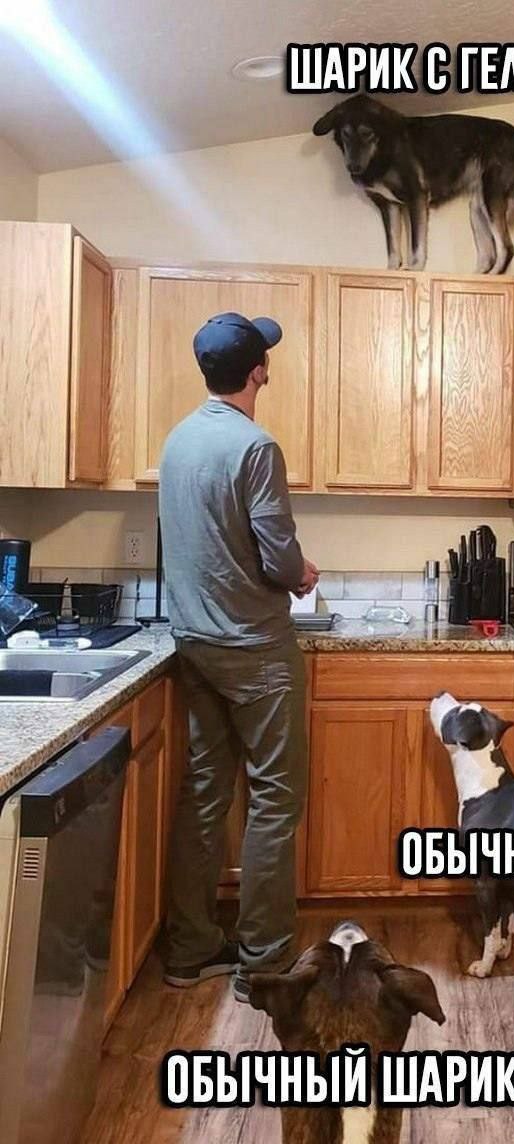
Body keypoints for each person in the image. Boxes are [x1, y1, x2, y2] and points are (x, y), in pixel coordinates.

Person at [158, 311, 318, 1003]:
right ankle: (265, 967)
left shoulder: (178, 440)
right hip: (255, 649)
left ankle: (190, 950)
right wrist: (302, 572)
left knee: (204, 793)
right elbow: (278, 556)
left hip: (195, 644)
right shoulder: (255, 447)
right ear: (259, 372)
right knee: (275, 800)